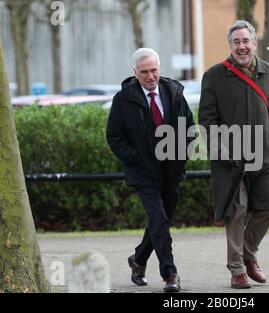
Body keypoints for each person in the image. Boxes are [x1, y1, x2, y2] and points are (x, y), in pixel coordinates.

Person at [198, 20, 269, 289]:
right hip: (230, 160)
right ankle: (237, 270)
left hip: (263, 155)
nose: (241, 47)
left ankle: (249, 255)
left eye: (245, 41)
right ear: (230, 45)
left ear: (254, 42)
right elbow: (207, 120)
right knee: (237, 211)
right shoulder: (215, 75)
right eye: (236, 42)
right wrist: (222, 150)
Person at [106, 48, 194, 293]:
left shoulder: (174, 92)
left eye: (154, 70)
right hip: (143, 173)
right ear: (135, 73)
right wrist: (136, 159)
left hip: (171, 169)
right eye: (144, 72)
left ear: (159, 68)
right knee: (158, 219)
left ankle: (138, 259)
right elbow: (114, 137)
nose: (150, 76)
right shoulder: (123, 99)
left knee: (161, 221)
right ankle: (170, 274)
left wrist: (181, 156)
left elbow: (189, 127)